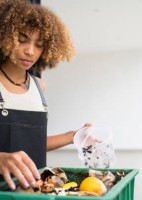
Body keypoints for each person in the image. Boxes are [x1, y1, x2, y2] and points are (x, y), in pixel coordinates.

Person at [0, 0, 88, 191]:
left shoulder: (39, 86)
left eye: (39, 45)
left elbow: (32, 143)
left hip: (33, 191)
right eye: (22, 40)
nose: (30, 51)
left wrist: (72, 136)